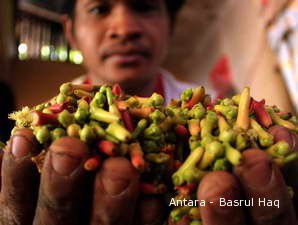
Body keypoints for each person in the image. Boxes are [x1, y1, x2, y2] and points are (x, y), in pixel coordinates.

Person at [0, 0, 297, 225]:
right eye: (100, 9)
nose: (125, 28)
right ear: (71, 32)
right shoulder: (43, 128)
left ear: (170, 25)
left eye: (144, 7)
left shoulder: (213, 109)